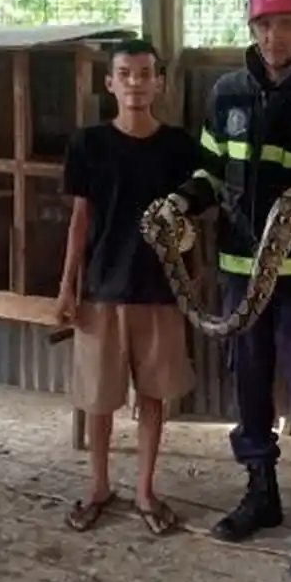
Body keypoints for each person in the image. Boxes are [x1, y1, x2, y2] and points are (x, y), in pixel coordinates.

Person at [156, 0, 291, 581]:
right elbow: (211, 175)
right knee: (248, 388)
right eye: (266, 23)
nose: (276, 35)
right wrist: (179, 205)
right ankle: (261, 491)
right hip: (243, 275)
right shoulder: (225, 96)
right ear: (253, 27)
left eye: (288, 23)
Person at [55, 38, 198, 534]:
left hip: (161, 291)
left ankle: (144, 489)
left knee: (154, 396)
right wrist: (67, 285)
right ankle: (98, 486)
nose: (135, 83)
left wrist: (192, 282)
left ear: (159, 81)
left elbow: (192, 223)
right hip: (100, 290)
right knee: (97, 398)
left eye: (145, 73)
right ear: (109, 83)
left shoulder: (181, 147)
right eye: (125, 73)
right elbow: (79, 221)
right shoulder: (88, 144)